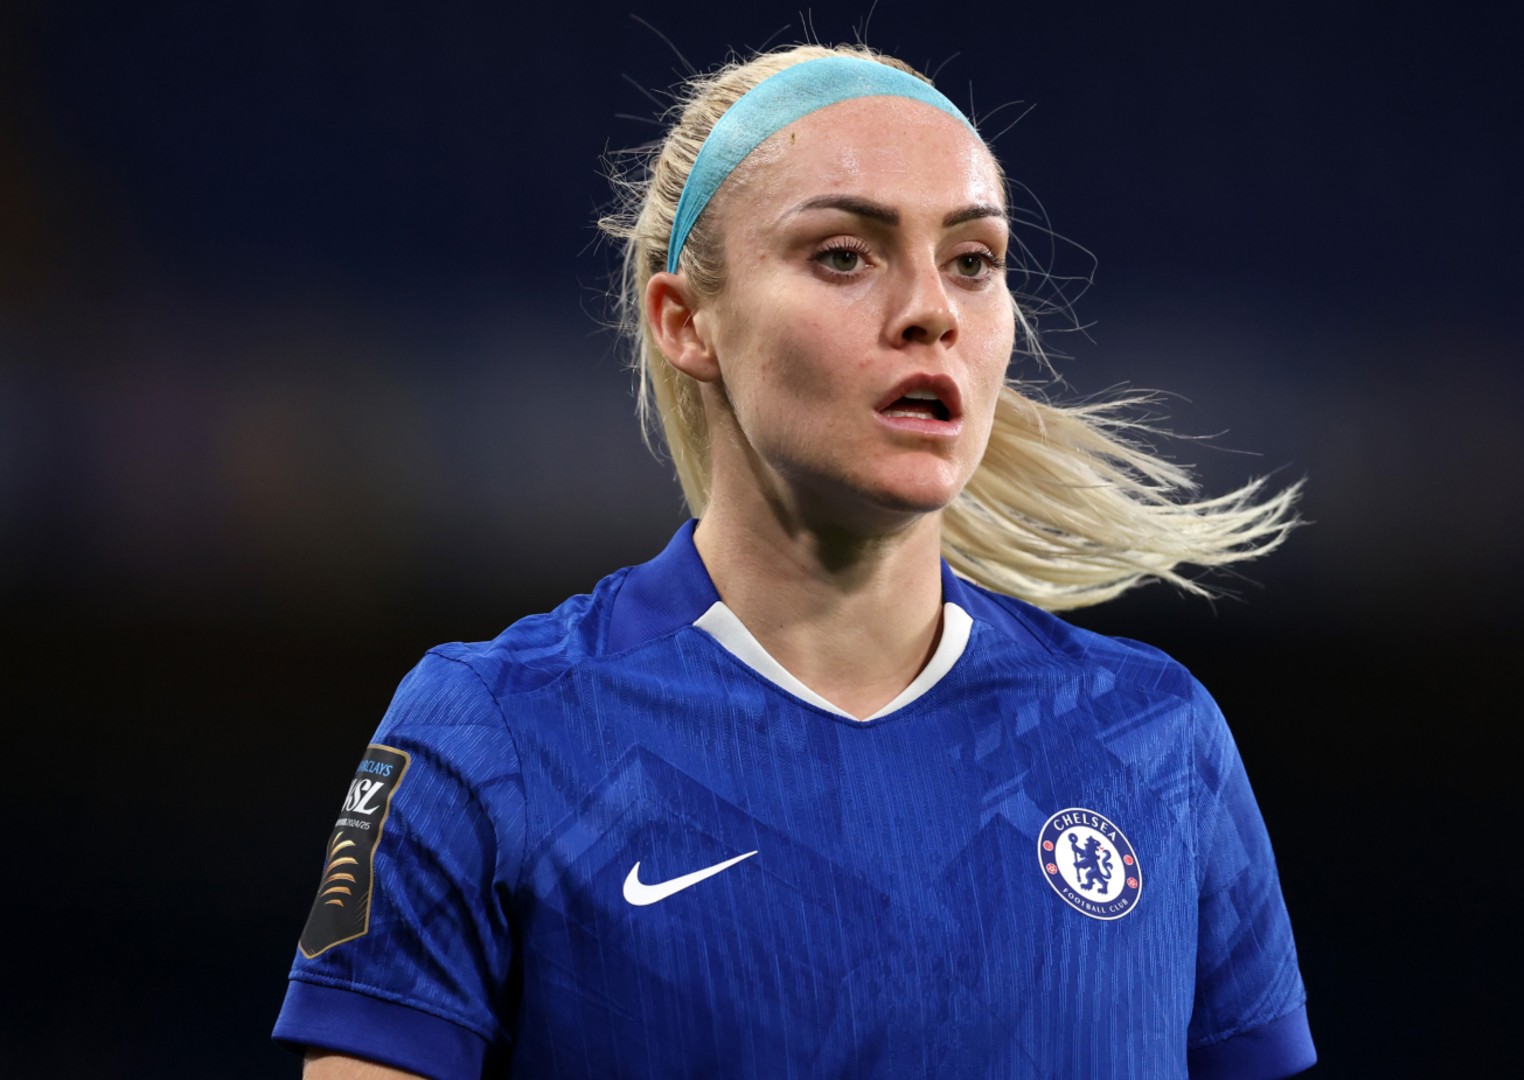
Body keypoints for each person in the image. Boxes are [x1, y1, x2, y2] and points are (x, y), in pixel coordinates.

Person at [274, 42, 1314, 1079]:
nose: (932, 310)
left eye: (973, 261)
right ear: (688, 322)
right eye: (844, 255)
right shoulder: (497, 730)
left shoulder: (1153, 743)